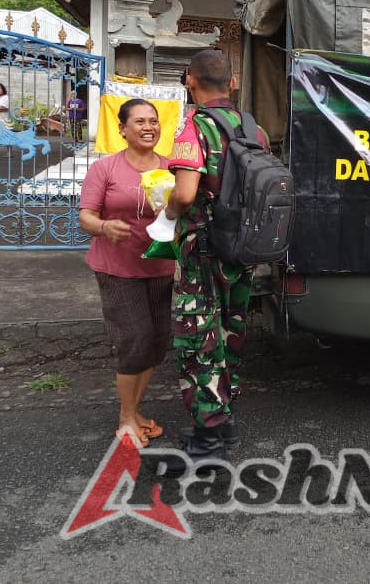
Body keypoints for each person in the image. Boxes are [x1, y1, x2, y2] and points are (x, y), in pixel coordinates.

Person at [166, 49, 269, 464]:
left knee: (198, 339)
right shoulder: (253, 128)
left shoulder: (195, 126)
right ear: (232, 83)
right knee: (230, 333)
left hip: (203, 250)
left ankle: (207, 441)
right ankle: (225, 421)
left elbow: (186, 193)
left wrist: (167, 212)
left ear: (189, 80)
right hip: (244, 250)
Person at [78, 98, 176, 446]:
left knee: (157, 343)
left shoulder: (169, 169)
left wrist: (175, 211)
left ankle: (134, 411)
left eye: (153, 121)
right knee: (134, 340)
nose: (149, 127)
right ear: (122, 129)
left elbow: (182, 217)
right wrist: (104, 227)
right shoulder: (104, 169)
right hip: (116, 268)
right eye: (140, 121)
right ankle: (126, 418)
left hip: (159, 266)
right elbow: (86, 215)